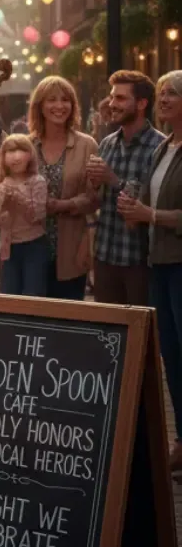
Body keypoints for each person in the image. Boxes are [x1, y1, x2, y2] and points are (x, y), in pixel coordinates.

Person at [117, 69, 182, 472]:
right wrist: (133, 208)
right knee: (171, 356)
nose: (162, 99)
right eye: (159, 93)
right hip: (158, 263)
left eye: (170, 93)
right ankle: (181, 438)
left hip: (181, 266)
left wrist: (150, 214)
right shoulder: (166, 147)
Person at [86, 70, 165, 305]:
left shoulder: (160, 146)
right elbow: (97, 199)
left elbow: (154, 203)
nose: (112, 104)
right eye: (112, 97)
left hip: (139, 260)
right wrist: (94, 182)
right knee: (107, 331)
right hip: (105, 255)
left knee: (142, 334)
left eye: (120, 98)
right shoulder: (107, 144)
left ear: (141, 103)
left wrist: (112, 180)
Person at [24, 76, 98, 300]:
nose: (59, 106)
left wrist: (62, 205)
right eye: (52, 100)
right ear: (40, 106)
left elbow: (95, 197)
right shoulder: (26, 145)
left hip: (72, 248)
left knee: (67, 319)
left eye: (65, 100)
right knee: (32, 318)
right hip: (30, 249)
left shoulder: (87, 145)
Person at [0, 135, 49, 296]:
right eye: (10, 151)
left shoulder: (37, 182)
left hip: (33, 245)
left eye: (21, 150)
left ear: (30, 155)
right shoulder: (4, 184)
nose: (16, 156)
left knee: (33, 294)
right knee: (9, 294)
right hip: (9, 248)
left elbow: (37, 216)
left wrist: (17, 199)